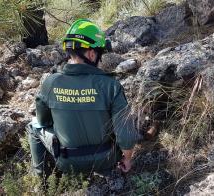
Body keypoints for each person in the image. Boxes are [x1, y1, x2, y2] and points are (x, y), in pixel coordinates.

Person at [27, 19, 141, 177]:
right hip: (107, 159)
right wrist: (127, 159)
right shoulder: (111, 85)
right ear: (91, 53)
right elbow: (126, 135)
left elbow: (44, 121)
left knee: (33, 126)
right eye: (100, 54)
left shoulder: (51, 82)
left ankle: (43, 181)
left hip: (67, 162)